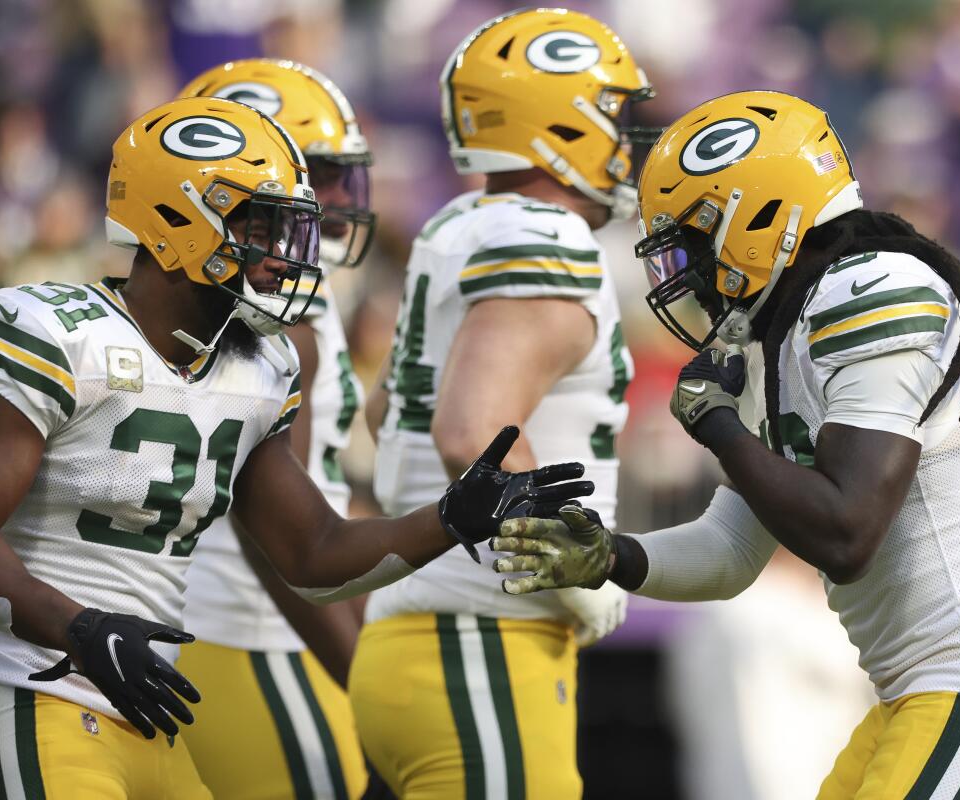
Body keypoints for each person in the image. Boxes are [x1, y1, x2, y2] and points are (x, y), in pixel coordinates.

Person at [0, 95, 593, 799]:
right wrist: (76, 627)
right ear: (178, 225)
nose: (282, 254)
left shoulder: (257, 367)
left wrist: (448, 519)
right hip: (36, 696)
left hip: (150, 723)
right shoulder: (60, 333)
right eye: (260, 227)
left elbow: (312, 552)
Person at [493, 91, 960, 799]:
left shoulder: (871, 289)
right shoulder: (783, 334)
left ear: (755, 218)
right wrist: (612, 556)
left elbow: (846, 532)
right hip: (921, 687)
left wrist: (717, 426)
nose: (684, 272)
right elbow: (732, 549)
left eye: (692, 241)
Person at [352, 8, 652, 799]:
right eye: (614, 115)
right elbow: (471, 433)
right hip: (477, 641)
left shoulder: (460, 224)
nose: (627, 139)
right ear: (563, 123)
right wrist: (580, 572)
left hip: (418, 641)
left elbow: (389, 416)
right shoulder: (546, 234)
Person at [172, 59, 373, 800]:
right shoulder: (278, 323)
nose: (336, 201)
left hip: (209, 638)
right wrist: (362, 677)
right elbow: (276, 537)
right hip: (256, 640)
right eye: (313, 173)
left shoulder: (186, 307)